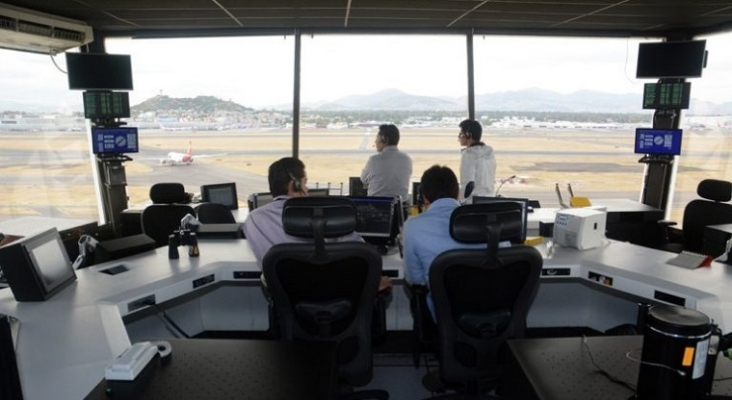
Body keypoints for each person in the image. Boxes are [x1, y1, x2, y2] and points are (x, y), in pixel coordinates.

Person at [243, 156, 391, 290]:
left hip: (289, 301)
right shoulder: (322, 215)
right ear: (294, 185)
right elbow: (361, 252)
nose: (307, 189)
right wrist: (374, 281)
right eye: (304, 183)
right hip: (337, 295)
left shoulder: (253, 220)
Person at [402, 165, 484, 321]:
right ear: (458, 192)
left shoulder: (413, 226)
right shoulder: (487, 223)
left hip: (445, 314)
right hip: (492, 308)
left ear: (424, 197)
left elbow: (415, 279)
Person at [360, 124, 413, 203]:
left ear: (384, 139)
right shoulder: (407, 159)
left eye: (377, 138)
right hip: (401, 210)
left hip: (378, 207)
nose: (375, 141)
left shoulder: (374, 160)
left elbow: (363, 179)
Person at [458, 119, 496, 202]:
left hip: (473, 202)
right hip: (490, 200)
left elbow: (468, 183)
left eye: (461, 133)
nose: (459, 137)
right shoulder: (490, 152)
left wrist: (461, 201)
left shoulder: (469, 154)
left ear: (468, 135)